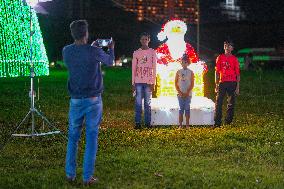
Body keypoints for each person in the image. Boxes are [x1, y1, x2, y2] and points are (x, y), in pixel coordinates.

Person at [62, 20, 115, 185]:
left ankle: (70, 174)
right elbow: (110, 61)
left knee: (73, 138)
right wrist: (110, 48)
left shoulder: (66, 51)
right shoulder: (94, 51)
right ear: (86, 34)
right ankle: (87, 177)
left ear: (73, 34)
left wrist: (91, 48)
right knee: (91, 138)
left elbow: (80, 58)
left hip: (76, 100)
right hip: (93, 100)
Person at [132, 32, 157, 129]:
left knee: (147, 103)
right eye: (142, 39)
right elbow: (134, 68)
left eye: (146, 39)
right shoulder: (136, 53)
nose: (144, 41)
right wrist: (133, 83)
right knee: (138, 103)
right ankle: (138, 123)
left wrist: (153, 82)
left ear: (149, 40)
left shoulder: (152, 52)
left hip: (148, 82)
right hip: (138, 81)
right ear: (140, 40)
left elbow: (154, 68)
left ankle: (147, 123)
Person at [214, 40, 240, 127]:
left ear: (232, 48)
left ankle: (228, 121)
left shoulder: (234, 59)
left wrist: (237, 87)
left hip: (232, 83)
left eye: (229, 46)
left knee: (231, 103)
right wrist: (216, 84)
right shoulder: (220, 57)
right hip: (222, 82)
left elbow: (237, 74)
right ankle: (217, 122)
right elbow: (217, 72)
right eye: (225, 45)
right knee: (218, 103)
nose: (227, 47)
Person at [175, 54, 194, 128]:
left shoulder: (191, 72)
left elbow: (192, 83)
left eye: (185, 62)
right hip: (180, 94)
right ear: (181, 63)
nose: (184, 64)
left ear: (188, 63)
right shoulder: (178, 72)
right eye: (182, 62)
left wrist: (187, 92)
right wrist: (179, 92)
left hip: (188, 94)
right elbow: (176, 83)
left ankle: (187, 125)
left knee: (187, 108)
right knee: (181, 109)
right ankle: (180, 125)